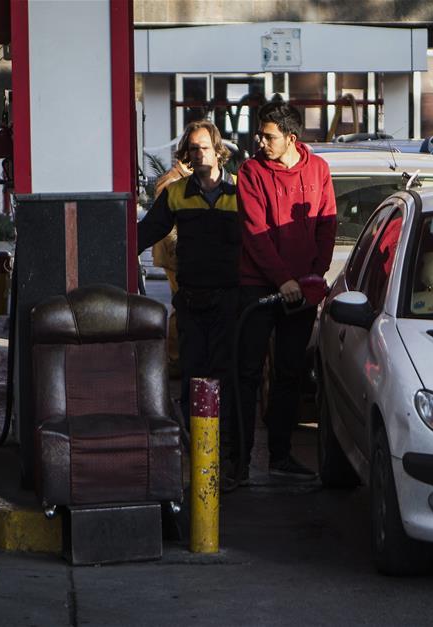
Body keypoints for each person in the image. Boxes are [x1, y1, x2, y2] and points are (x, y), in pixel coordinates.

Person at [137, 120, 242, 491]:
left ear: (218, 151)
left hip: (229, 304)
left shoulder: (240, 192)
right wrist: (112, 252)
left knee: (225, 380)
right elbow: (147, 231)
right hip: (192, 304)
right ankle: (196, 454)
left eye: (204, 148)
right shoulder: (177, 194)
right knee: (193, 379)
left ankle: (224, 458)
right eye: (192, 149)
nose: (198, 154)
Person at [235, 100, 337, 482]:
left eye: (268, 136)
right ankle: (239, 460)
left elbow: (327, 226)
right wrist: (283, 280)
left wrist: (314, 275)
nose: (261, 142)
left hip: (301, 291)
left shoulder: (319, 170)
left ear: (291, 138)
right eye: (260, 135)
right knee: (246, 372)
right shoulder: (250, 172)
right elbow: (255, 234)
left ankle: (280, 455)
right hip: (258, 287)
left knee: (290, 373)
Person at [152, 161, 192, 377]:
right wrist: (180, 254)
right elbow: (166, 228)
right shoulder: (172, 182)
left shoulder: (177, 179)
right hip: (176, 257)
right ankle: (175, 357)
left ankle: (176, 357)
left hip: (178, 256)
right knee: (180, 304)